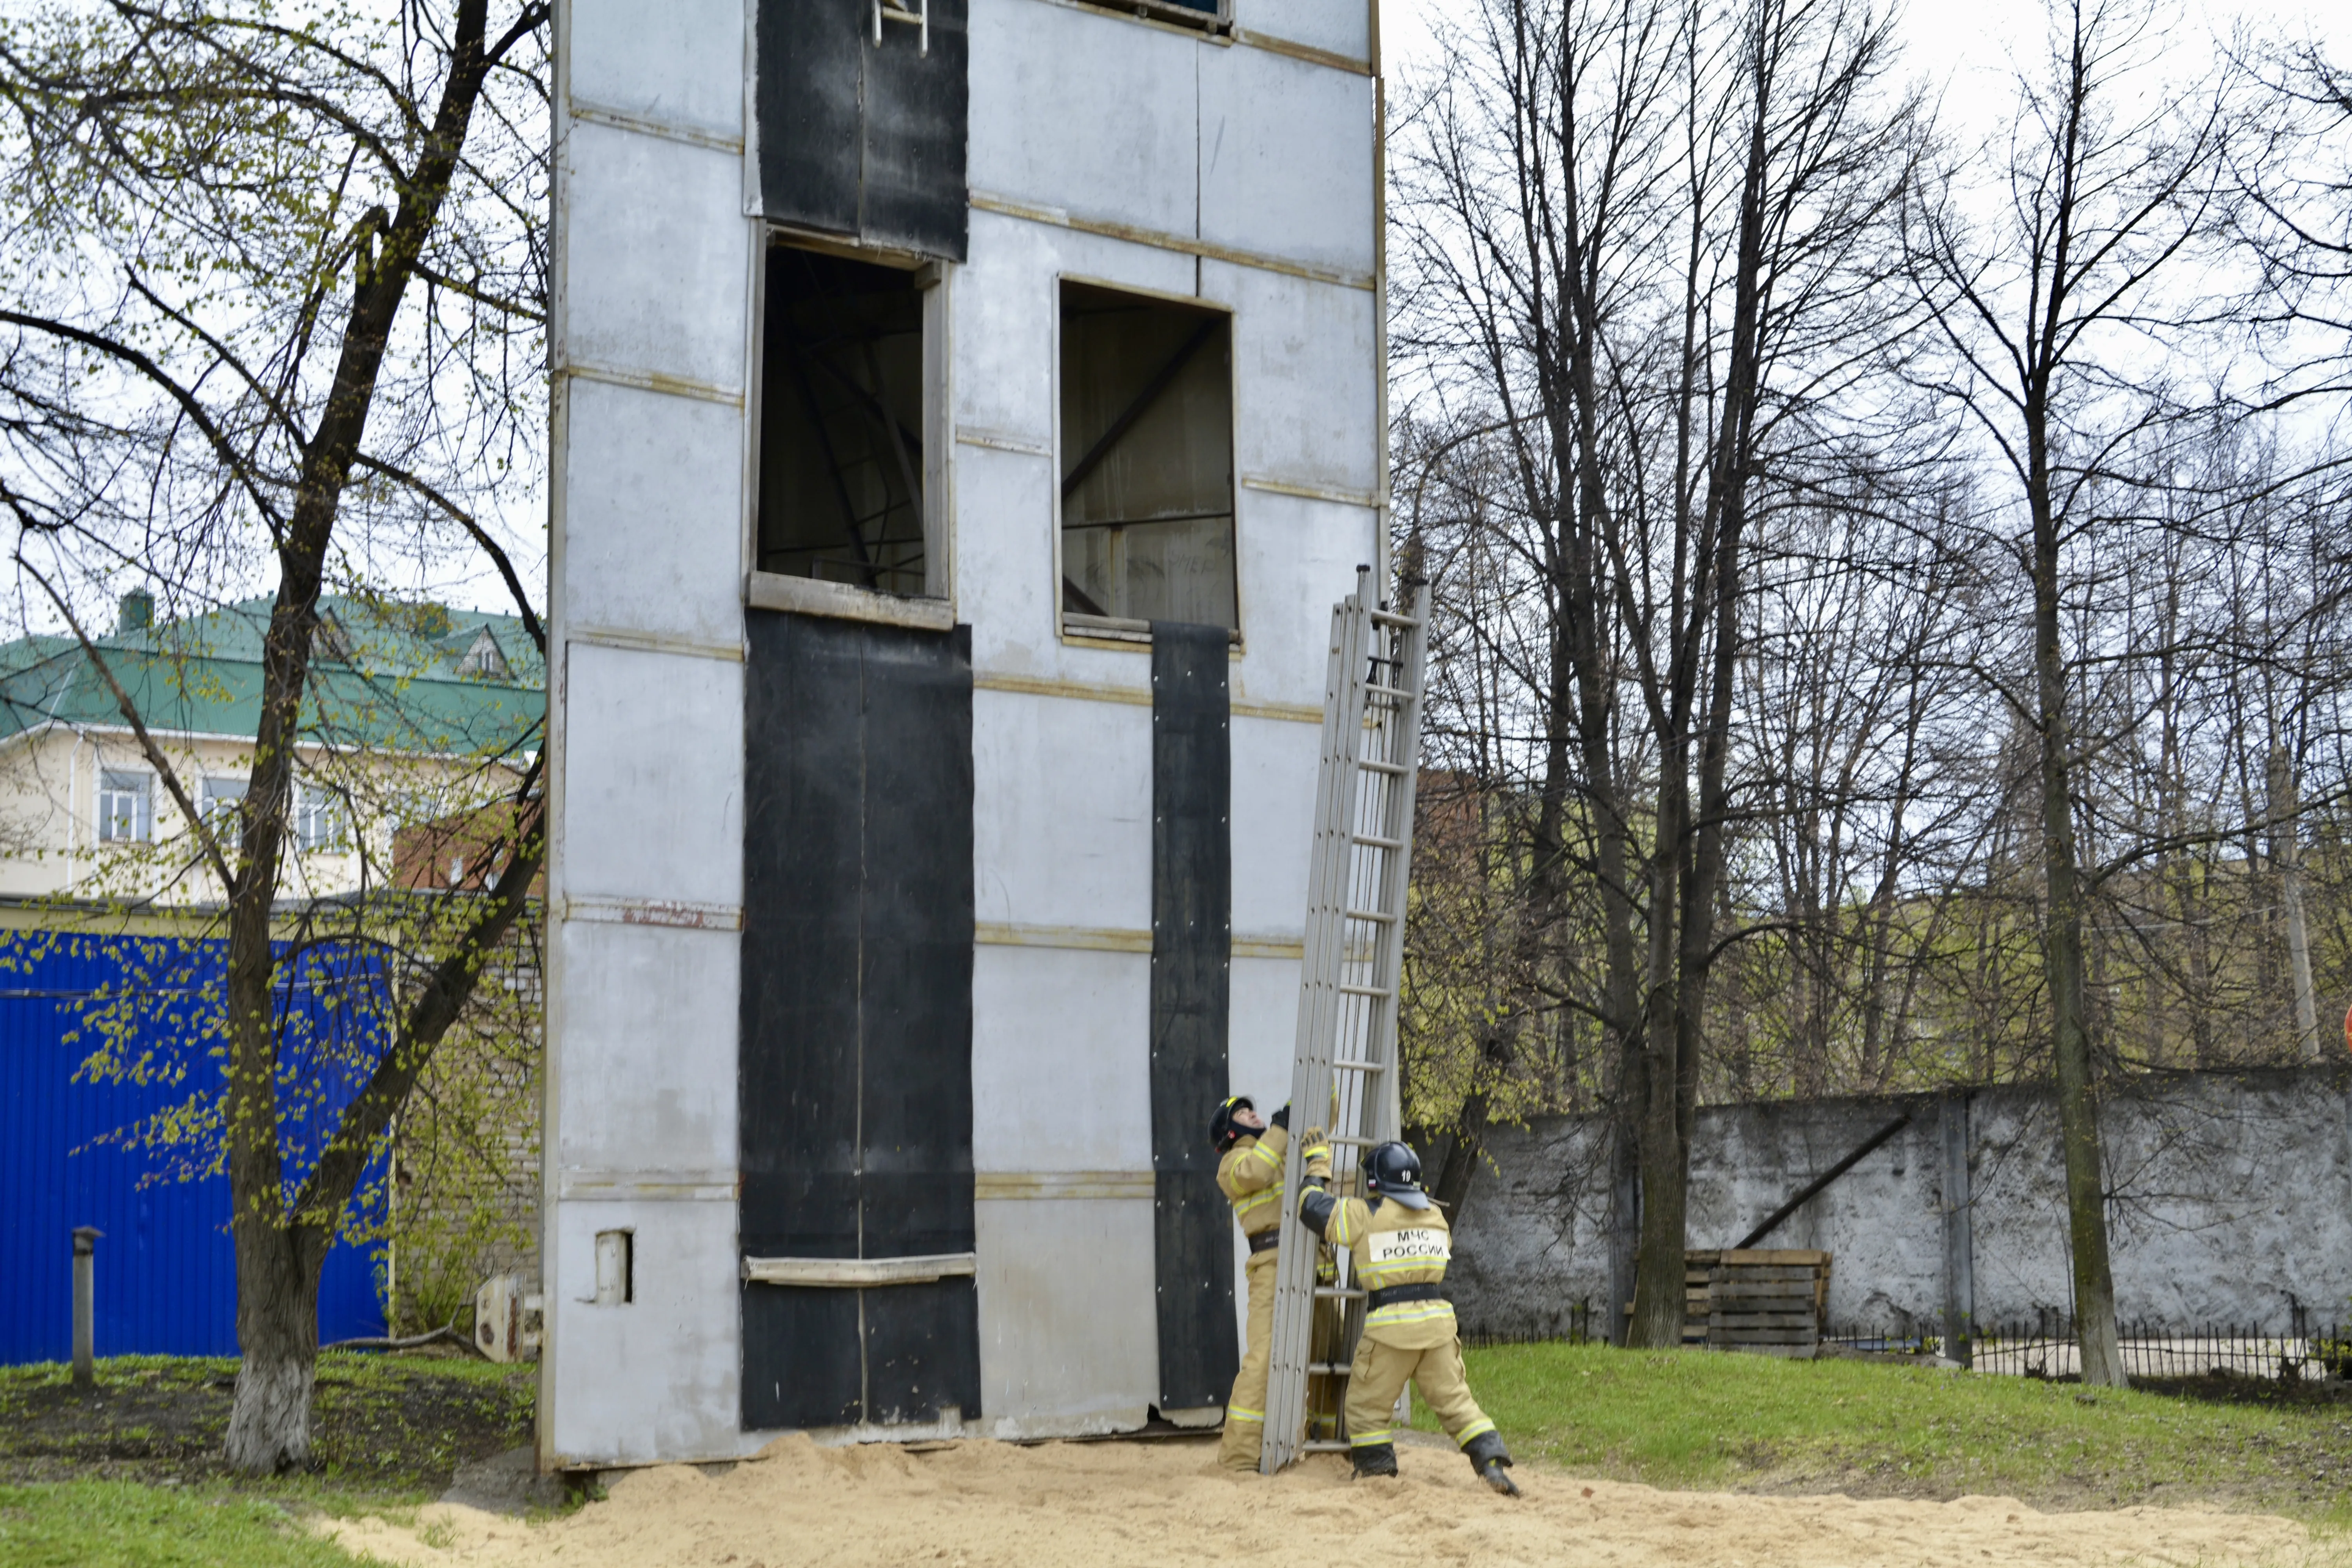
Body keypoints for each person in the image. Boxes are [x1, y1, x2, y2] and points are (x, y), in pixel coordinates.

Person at [1297, 1139, 1519, 1495]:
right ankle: (1492, 1463)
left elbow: (1311, 1209)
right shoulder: (1435, 1215)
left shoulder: (1365, 1213)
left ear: (1374, 1182)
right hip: (1438, 1325)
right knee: (1456, 1401)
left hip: (1391, 1329)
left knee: (1366, 1407)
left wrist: (1317, 1165)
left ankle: (1377, 1473)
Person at [1211, 1094, 1329, 1472]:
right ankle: (1239, 1457)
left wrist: (1320, 1086)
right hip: (1273, 1266)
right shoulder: (1232, 1164)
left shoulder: (1280, 1146)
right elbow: (1256, 1173)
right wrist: (1282, 1125)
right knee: (1263, 1359)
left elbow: (1325, 1113)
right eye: (1245, 1113)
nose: (1255, 1114)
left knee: (1331, 1356)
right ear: (1231, 1131)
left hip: (1314, 1260)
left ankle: (1329, 1442)